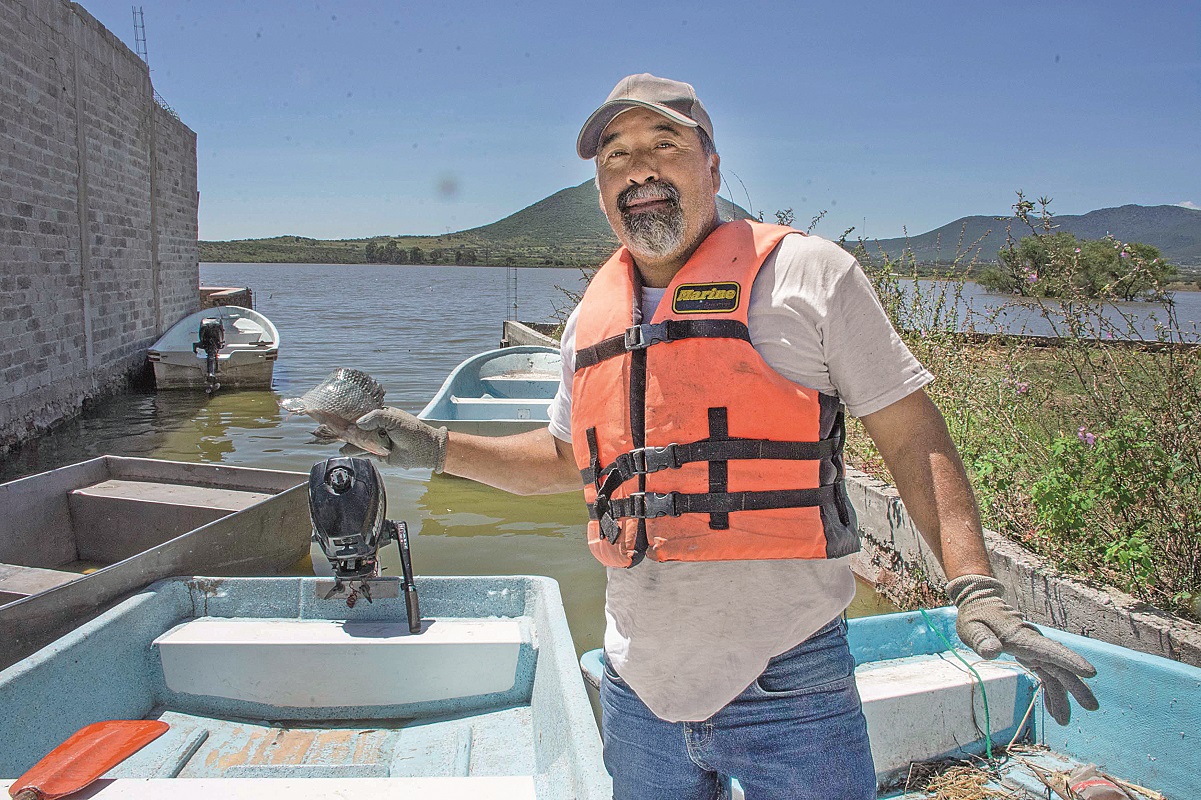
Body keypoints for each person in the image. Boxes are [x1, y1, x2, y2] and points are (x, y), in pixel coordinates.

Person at [352, 73, 1099, 799]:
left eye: (663, 143)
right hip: (639, 681)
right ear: (600, 189)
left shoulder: (810, 275)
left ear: (711, 164)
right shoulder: (590, 319)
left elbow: (911, 435)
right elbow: (566, 462)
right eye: (614, 154)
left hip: (789, 679)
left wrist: (973, 586)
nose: (637, 167)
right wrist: (435, 446)